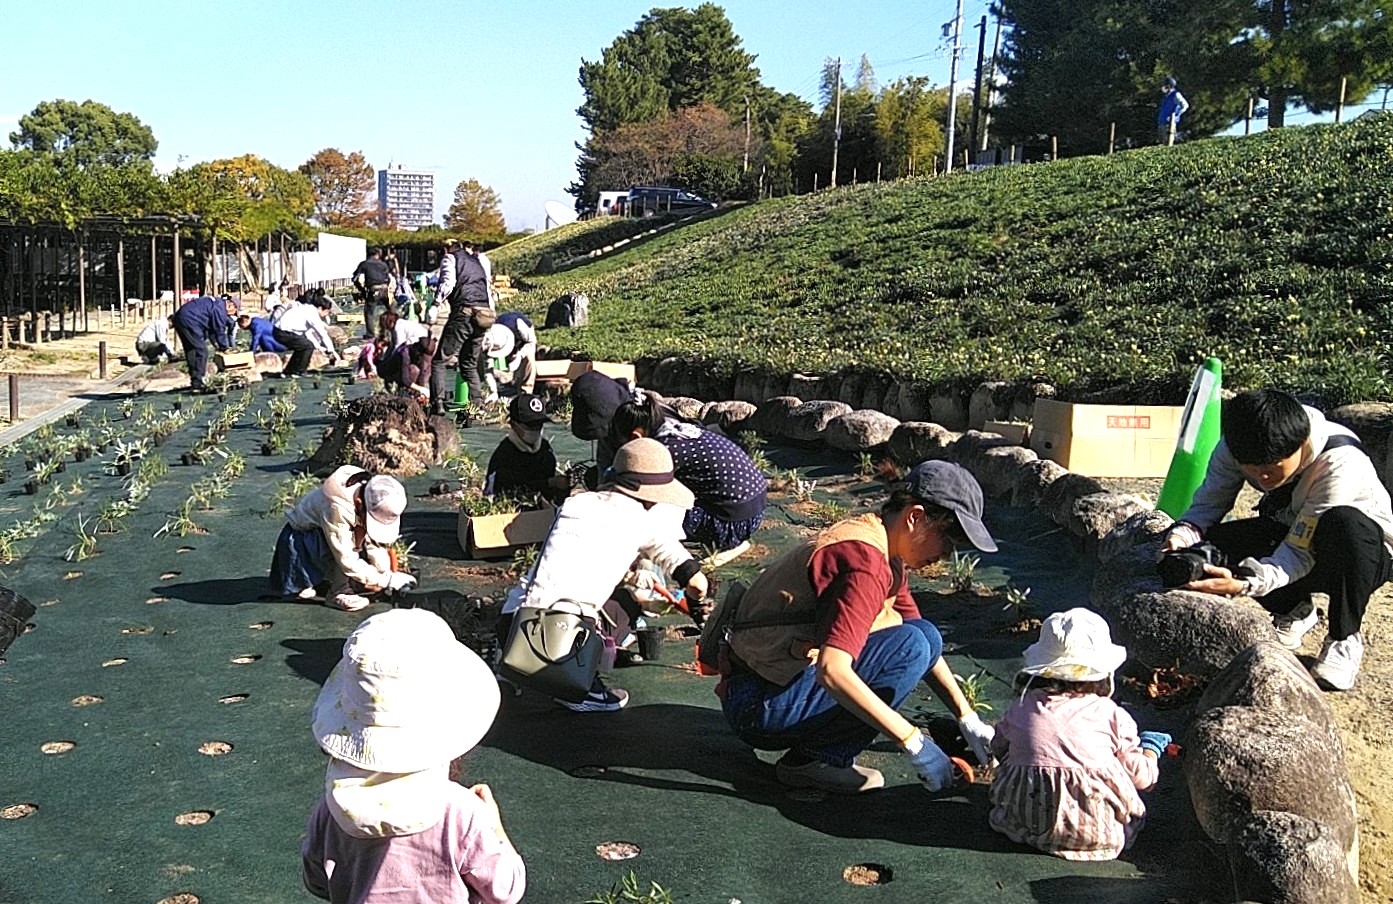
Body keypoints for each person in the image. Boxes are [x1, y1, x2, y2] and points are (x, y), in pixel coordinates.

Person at [714, 461, 998, 794]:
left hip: (763, 688)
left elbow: (922, 635)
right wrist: (913, 742)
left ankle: (813, 755)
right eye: (947, 542)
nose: (946, 556)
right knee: (911, 646)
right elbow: (832, 671)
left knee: (924, 636)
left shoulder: (879, 544)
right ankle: (817, 760)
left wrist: (967, 717)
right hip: (758, 705)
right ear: (915, 517)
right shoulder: (865, 564)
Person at [1160, 389, 1393, 690]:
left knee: (1344, 525)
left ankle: (1343, 637)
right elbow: (1209, 505)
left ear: (1301, 444)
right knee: (1215, 546)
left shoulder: (1339, 462)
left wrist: (1245, 584)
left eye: (1272, 470)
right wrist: (1180, 539)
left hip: (1360, 555)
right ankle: (1295, 611)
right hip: (1294, 533)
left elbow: (1299, 551)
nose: (1263, 479)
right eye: (1253, 471)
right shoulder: (1235, 445)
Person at [302, 608, 526, 904]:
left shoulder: (331, 808)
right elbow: (505, 890)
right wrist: (494, 823)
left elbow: (316, 882)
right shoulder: (462, 812)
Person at [502, 438, 709, 712]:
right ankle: (580, 688)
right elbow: (697, 582)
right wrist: (698, 607)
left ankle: (506, 669)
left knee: (544, 594)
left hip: (515, 623)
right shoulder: (646, 524)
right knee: (625, 606)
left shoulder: (575, 505)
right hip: (561, 642)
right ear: (652, 494)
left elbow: (576, 558)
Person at [989, 608, 1167, 861]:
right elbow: (1143, 779)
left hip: (1024, 826)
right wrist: (1151, 749)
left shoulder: (1023, 707)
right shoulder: (1110, 713)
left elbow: (998, 747)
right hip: (1101, 836)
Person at [608, 388, 767, 552]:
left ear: (636, 438)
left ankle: (727, 545)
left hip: (732, 524)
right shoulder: (679, 430)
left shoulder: (661, 451)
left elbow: (640, 493)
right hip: (756, 510)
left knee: (647, 512)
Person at [270, 465, 417, 612]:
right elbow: (345, 556)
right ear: (360, 504)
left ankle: (326, 580)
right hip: (301, 541)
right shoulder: (337, 509)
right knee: (350, 546)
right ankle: (337, 592)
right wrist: (385, 580)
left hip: (324, 535)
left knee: (359, 544)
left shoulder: (365, 493)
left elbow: (372, 540)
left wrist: (384, 572)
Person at [429, 240, 495, 416]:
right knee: (469, 363)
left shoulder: (450, 258)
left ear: (446, 249)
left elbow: (448, 284)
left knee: (439, 360)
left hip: (465, 311)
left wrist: (435, 304)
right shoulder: (478, 261)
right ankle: (477, 405)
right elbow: (487, 290)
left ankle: (437, 404)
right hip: (485, 314)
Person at [485, 393, 569, 504]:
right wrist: (549, 483)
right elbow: (507, 493)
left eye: (539, 425)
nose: (535, 430)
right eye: (530, 426)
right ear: (513, 424)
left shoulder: (545, 449)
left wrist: (563, 487)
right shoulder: (504, 455)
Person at [169, 294, 237, 392]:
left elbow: (212, 331)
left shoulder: (217, 303)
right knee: (201, 351)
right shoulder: (220, 309)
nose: (231, 315)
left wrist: (217, 345)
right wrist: (224, 347)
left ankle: (195, 380)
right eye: (233, 312)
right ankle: (198, 382)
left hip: (181, 317)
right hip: (190, 320)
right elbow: (219, 331)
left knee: (191, 349)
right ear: (231, 306)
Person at [274, 293, 340, 377]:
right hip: (283, 332)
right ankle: (298, 371)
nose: (327, 314)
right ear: (320, 308)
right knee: (307, 346)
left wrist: (319, 348)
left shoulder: (307, 309)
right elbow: (322, 333)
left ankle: (288, 371)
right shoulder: (312, 314)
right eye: (327, 312)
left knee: (302, 346)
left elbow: (308, 333)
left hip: (279, 331)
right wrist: (332, 351)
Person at [481, 312, 539, 400]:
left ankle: (525, 392)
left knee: (528, 360)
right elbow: (487, 370)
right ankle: (511, 382)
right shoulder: (488, 339)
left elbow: (531, 342)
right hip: (504, 337)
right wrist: (493, 391)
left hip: (525, 338)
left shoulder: (519, 325)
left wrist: (520, 354)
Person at [352, 247, 393, 339]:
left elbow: (355, 278)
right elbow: (389, 278)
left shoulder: (364, 264)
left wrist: (361, 289)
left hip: (373, 290)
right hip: (385, 289)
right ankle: (390, 330)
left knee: (369, 312)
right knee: (390, 310)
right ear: (378, 254)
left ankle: (370, 334)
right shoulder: (383, 265)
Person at [1157, 76, 1189, 145]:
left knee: (1169, 143)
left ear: (1169, 86)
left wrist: (1176, 114)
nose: (1163, 87)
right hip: (1162, 122)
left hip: (1170, 123)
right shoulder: (1166, 96)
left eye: (1164, 86)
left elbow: (1185, 105)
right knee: (1162, 144)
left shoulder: (1175, 95)